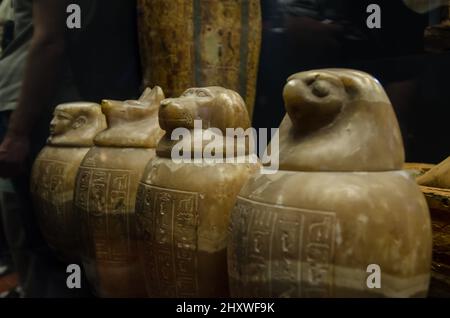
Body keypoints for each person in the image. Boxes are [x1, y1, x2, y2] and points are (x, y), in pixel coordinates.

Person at [0, 0, 141, 297]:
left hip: (40, 108)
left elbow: (49, 40)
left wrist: (17, 133)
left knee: (49, 246)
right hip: (59, 106)